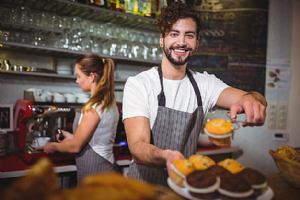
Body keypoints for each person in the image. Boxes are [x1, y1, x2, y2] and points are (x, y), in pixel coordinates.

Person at [122, 2, 267, 186]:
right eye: (174, 34)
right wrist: (165, 156)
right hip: (143, 188)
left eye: (189, 35)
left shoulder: (205, 84)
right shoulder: (139, 84)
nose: (181, 42)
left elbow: (252, 97)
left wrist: (252, 100)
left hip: (186, 187)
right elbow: (138, 146)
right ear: (162, 39)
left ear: (197, 43)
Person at [43, 54, 119, 182]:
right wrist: (73, 137)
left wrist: (53, 146)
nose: (77, 81)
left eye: (79, 76)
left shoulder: (94, 107)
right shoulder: (109, 103)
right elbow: (95, 140)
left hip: (96, 171)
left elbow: (75, 147)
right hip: (105, 167)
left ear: (92, 77)